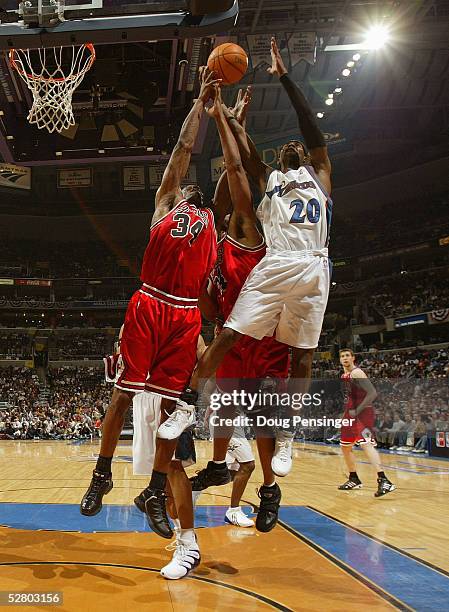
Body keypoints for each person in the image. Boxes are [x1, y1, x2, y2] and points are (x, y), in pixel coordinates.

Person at [173, 36, 332, 519]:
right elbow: (240, 162)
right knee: (224, 373)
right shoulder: (269, 183)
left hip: (308, 265)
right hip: (276, 269)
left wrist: (284, 76)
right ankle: (191, 413)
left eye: (298, 146)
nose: (292, 144)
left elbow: (308, 129)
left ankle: (282, 443)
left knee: (298, 363)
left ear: (304, 156)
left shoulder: (319, 174)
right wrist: (229, 117)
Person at [80, 66, 219, 580]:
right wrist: (200, 109)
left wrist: (227, 118)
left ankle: (159, 495)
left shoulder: (214, 223)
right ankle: (102, 476)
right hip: (150, 303)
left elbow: (231, 184)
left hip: (184, 315)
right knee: (122, 397)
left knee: (170, 420)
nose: (185, 192)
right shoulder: (165, 203)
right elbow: (182, 153)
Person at [190, 85, 290, 533]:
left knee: (265, 416)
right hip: (232, 333)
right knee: (226, 409)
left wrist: (224, 121)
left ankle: (270, 487)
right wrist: (197, 290)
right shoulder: (213, 251)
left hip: (264, 335)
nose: (222, 208)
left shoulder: (250, 230)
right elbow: (211, 307)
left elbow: (235, 173)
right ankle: (216, 466)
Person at [338, 349, 395, 497]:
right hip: (350, 413)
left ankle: (384, 479)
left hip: (362, 414)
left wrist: (357, 411)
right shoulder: (344, 375)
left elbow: (372, 393)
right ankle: (354, 478)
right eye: (342, 356)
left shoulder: (357, 373)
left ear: (353, 358)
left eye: (347, 356)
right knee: (345, 447)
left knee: (366, 444)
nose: (345, 358)